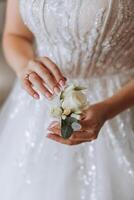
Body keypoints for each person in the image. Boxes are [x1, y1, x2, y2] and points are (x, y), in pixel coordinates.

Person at [0, 0, 134, 199]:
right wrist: (24, 67)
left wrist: (108, 109)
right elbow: (15, 35)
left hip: (118, 105)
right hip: (36, 107)